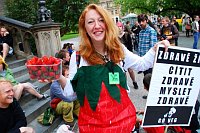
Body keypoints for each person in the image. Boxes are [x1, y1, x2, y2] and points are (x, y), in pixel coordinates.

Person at [51, 4, 169, 132]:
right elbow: (70, 93)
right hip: (93, 128)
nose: (97, 25)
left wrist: (156, 48)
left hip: (124, 124)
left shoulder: (118, 49)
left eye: (101, 20)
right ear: (85, 28)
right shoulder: (78, 57)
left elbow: (142, 64)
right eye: (90, 22)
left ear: (107, 23)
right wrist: (57, 75)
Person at [117, 22, 138, 89]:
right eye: (117, 27)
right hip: (120, 56)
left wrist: (131, 54)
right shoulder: (115, 37)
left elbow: (130, 45)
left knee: (130, 70)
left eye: (120, 27)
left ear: (122, 27)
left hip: (127, 55)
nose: (119, 28)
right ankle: (125, 85)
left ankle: (134, 81)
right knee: (124, 71)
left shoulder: (126, 34)